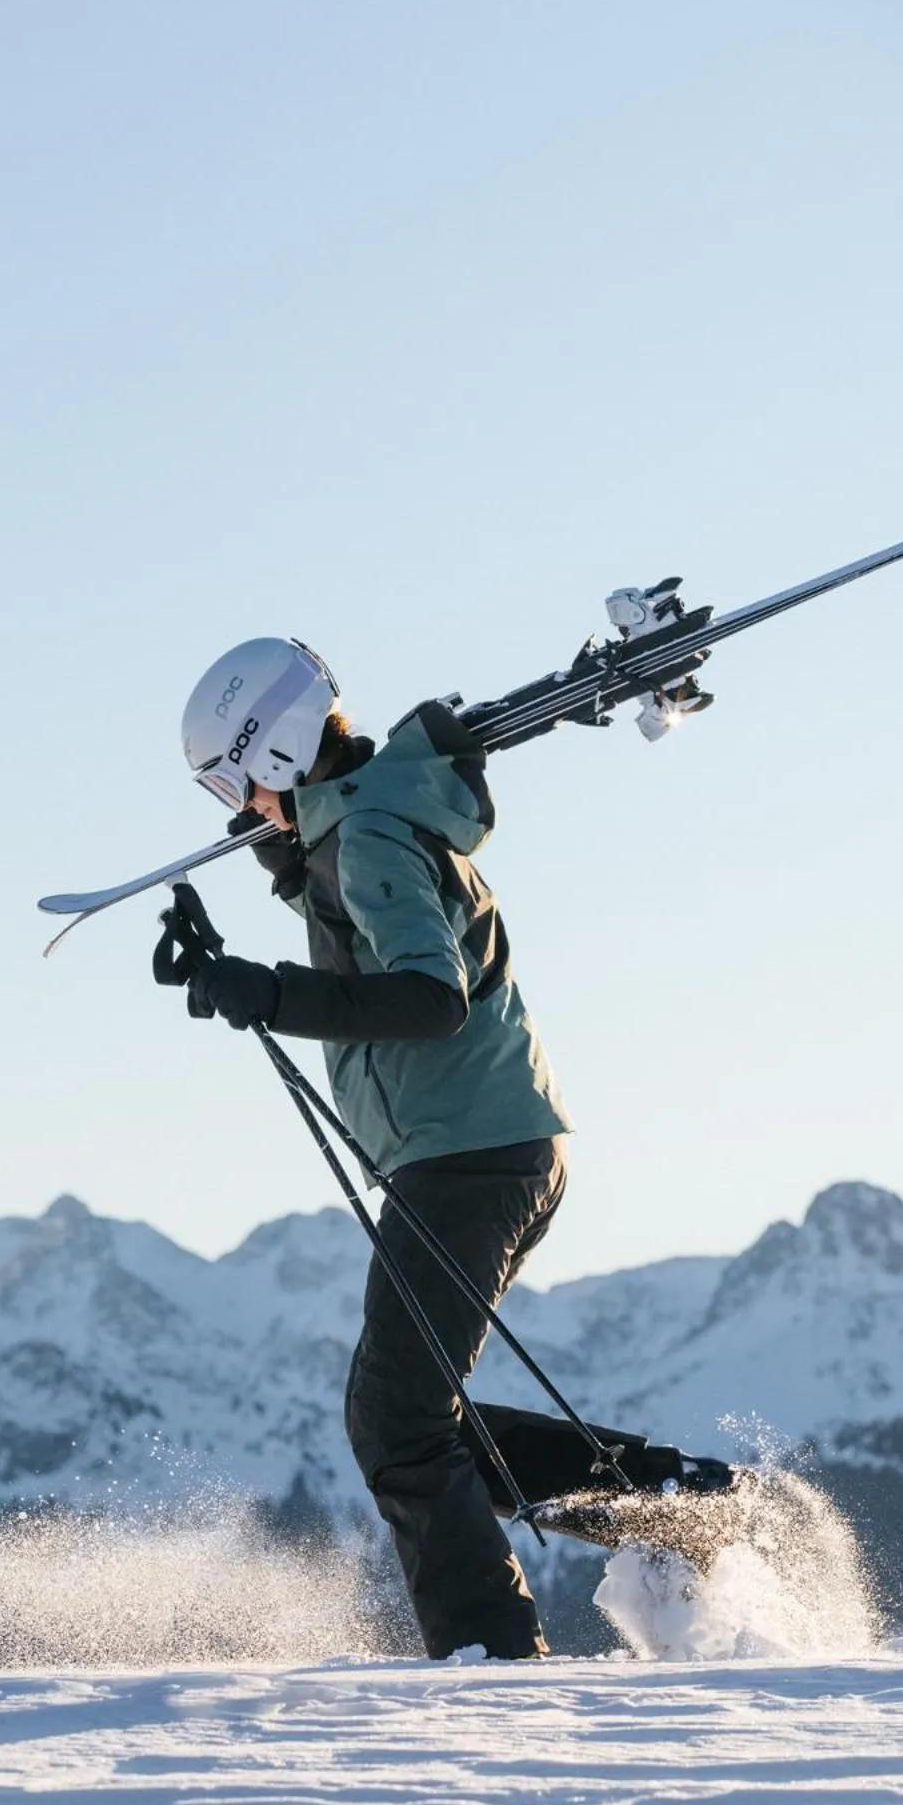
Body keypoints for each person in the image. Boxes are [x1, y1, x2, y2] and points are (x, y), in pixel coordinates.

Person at [166, 637, 741, 1661]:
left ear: (281, 750)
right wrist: (263, 918)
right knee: (408, 1413)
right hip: (483, 1146)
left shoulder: (375, 835)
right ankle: (669, 1501)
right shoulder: (364, 829)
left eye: (230, 776)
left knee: (394, 1420)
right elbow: (368, 934)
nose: (229, 801)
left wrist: (271, 990)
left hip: (471, 1156)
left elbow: (429, 998)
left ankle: (495, 1660)